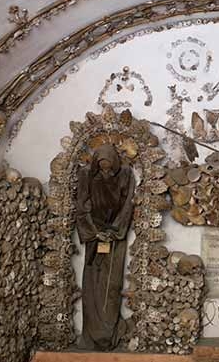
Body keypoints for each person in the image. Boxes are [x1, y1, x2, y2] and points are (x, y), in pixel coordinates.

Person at [75, 143, 136, 350]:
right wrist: (94, 232)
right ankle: (93, 333)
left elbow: (127, 205)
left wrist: (114, 231)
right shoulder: (86, 175)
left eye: (109, 166)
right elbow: (82, 205)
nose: (105, 170)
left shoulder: (125, 174)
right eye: (101, 166)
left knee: (112, 284)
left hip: (115, 237)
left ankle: (109, 332)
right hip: (95, 237)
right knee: (92, 283)